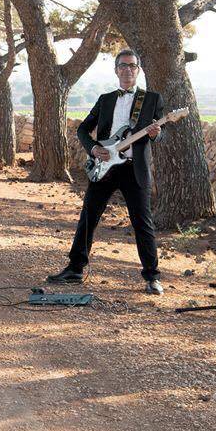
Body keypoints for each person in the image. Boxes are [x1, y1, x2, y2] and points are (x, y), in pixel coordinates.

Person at [47, 49, 165, 294]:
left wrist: (157, 133)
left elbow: (162, 133)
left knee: (142, 222)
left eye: (132, 66)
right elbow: (83, 130)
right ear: (116, 70)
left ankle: (152, 277)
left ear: (138, 70)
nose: (128, 70)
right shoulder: (106, 99)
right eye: (123, 65)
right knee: (89, 216)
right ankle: (75, 269)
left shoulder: (152, 99)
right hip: (106, 168)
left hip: (135, 170)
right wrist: (93, 149)